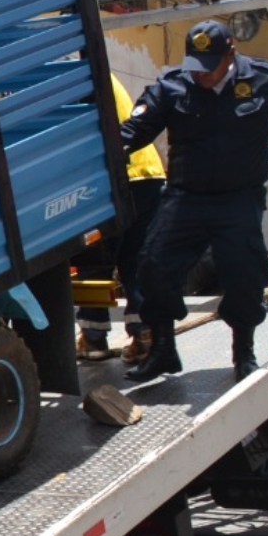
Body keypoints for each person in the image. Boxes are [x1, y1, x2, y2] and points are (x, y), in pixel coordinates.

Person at [119, 19, 268, 382]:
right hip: (185, 196)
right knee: (152, 267)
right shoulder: (174, 85)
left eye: (210, 67)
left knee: (244, 274)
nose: (202, 76)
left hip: (239, 197)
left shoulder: (264, 80)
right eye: (196, 67)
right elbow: (135, 131)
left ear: (230, 54)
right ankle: (162, 350)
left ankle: (243, 351)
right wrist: (110, 150)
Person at [77, 73, 168, 364]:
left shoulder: (72, 81)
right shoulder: (101, 73)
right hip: (146, 174)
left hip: (110, 179)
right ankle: (144, 335)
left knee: (95, 259)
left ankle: (93, 338)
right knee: (136, 259)